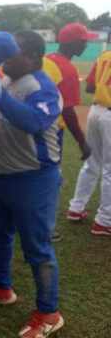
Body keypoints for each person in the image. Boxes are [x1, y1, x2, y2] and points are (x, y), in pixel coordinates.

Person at [0, 31, 64, 338]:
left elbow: (32, 122)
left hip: (35, 178)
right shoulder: (9, 81)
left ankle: (49, 312)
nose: (6, 58)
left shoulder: (43, 87)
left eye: (15, 52)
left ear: (34, 56)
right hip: (1, 174)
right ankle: (2, 289)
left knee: (37, 248)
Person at [42, 22, 96, 242]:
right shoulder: (67, 68)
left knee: (33, 173)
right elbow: (68, 111)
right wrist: (82, 142)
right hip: (52, 130)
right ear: (72, 42)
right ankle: (46, 228)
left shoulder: (46, 59)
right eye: (83, 41)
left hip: (33, 124)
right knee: (50, 178)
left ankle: (22, 219)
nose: (85, 44)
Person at [67, 49, 111, 235]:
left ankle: (76, 208)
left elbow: (90, 87)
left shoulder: (105, 55)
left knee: (91, 163)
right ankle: (104, 221)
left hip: (96, 111)